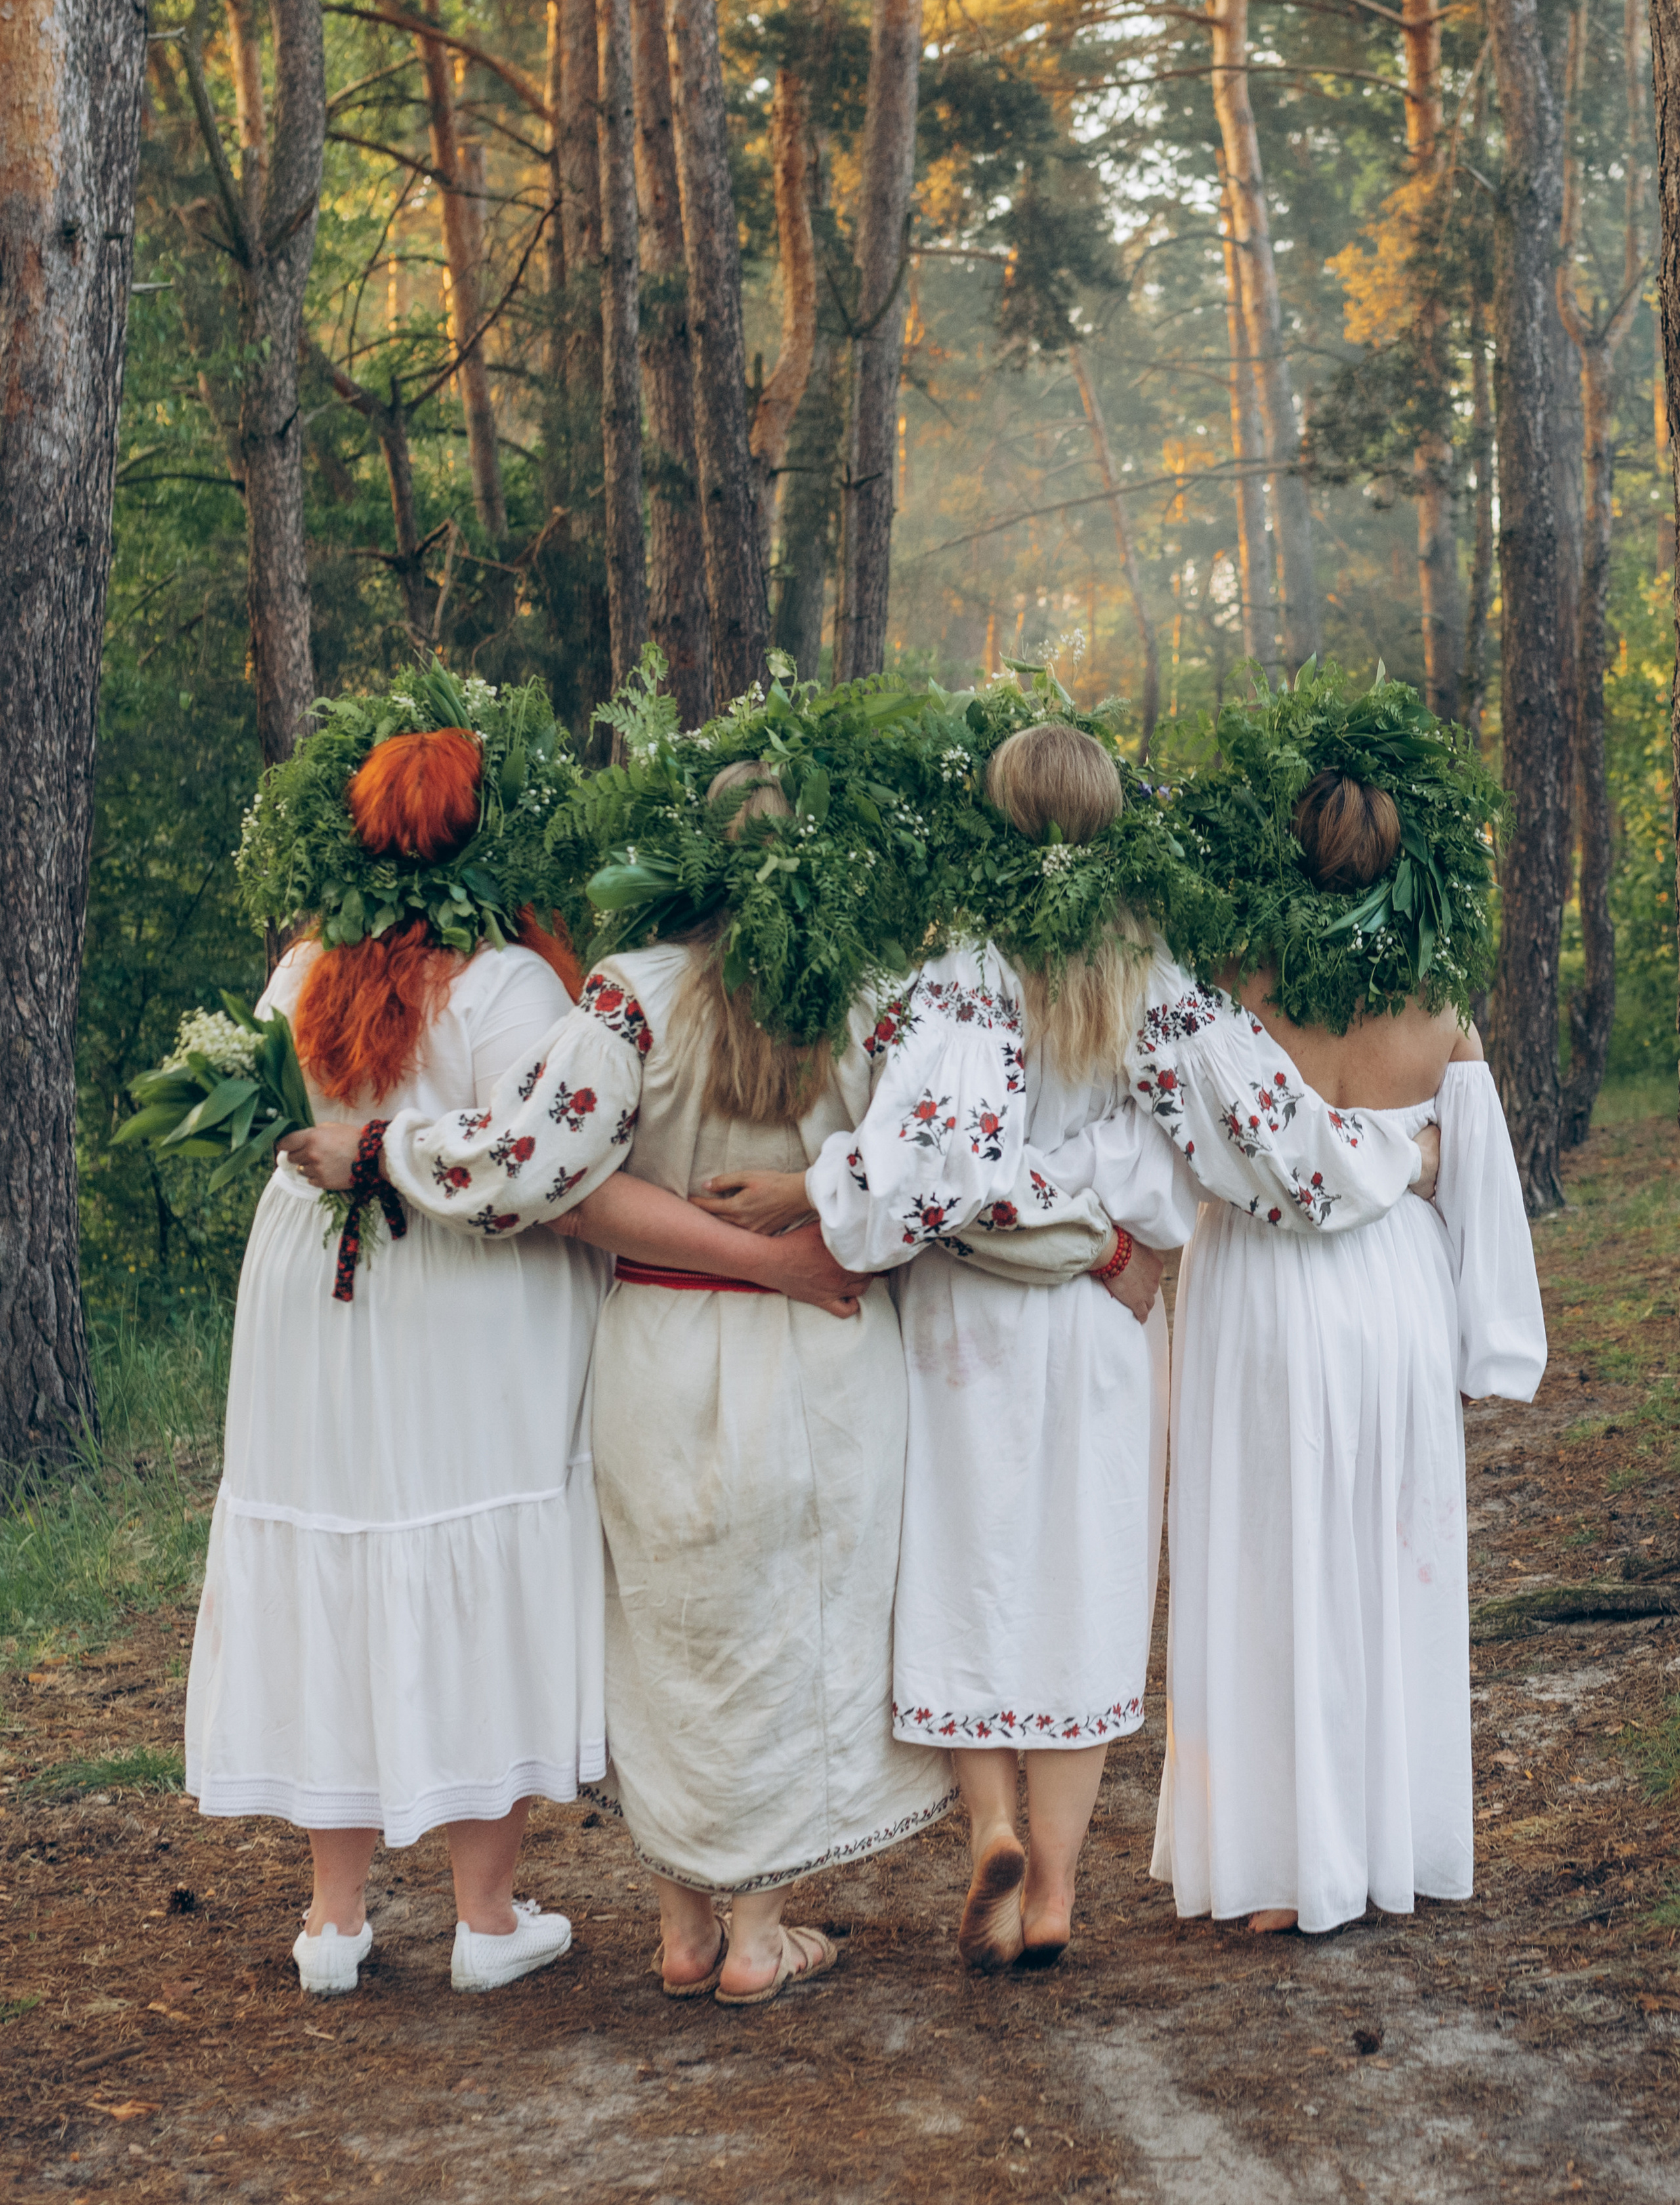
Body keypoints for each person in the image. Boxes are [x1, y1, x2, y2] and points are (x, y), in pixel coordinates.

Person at [285, 759, 1136, 2005]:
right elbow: (948, 1177)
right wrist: (1100, 1242)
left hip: (663, 1346)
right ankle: (758, 1932)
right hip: (832, 1350)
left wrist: (389, 1148)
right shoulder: (872, 1006)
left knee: (671, 1631)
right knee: (796, 1638)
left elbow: (532, 1159)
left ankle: (684, 1933)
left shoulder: (630, 996)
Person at [691, 724, 1444, 1971]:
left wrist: (818, 1187)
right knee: (1086, 1576)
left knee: (963, 1563)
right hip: (1101, 1316)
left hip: (965, 1319)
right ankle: (1055, 1898)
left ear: (995, 818)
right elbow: (1272, 1138)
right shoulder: (1154, 977)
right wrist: (1400, 1157)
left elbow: (922, 1163)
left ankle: (990, 1824)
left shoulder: (965, 973)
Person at [191, 719, 859, 2000]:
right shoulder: (510, 986)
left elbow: (281, 1125)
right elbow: (538, 1177)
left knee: (335, 1541)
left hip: (309, 1287)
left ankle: (333, 1920)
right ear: (491, 834)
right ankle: (483, 1915)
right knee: (468, 1543)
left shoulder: (300, 970)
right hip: (456, 1288)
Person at [1140, 767, 1547, 1935]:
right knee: (1385, 1556)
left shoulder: (1228, 995)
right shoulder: (1438, 1005)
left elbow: (1179, 1155)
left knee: (1267, 1560)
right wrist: (1489, 1350)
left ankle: (1275, 1862)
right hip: (1395, 1298)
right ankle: (1382, 1845)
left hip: (1258, 1296)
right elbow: (1483, 1192)